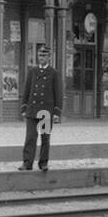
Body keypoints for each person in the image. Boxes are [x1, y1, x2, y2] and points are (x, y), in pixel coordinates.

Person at [19, 43, 62, 172]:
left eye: (44, 55)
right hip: (32, 110)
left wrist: (56, 112)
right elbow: (27, 90)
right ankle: (27, 163)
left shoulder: (54, 73)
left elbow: (58, 93)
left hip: (46, 111)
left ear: (49, 57)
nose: (41, 57)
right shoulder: (32, 71)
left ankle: (43, 163)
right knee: (30, 138)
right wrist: (24, 107)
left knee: (45, 138)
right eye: (39, 55)